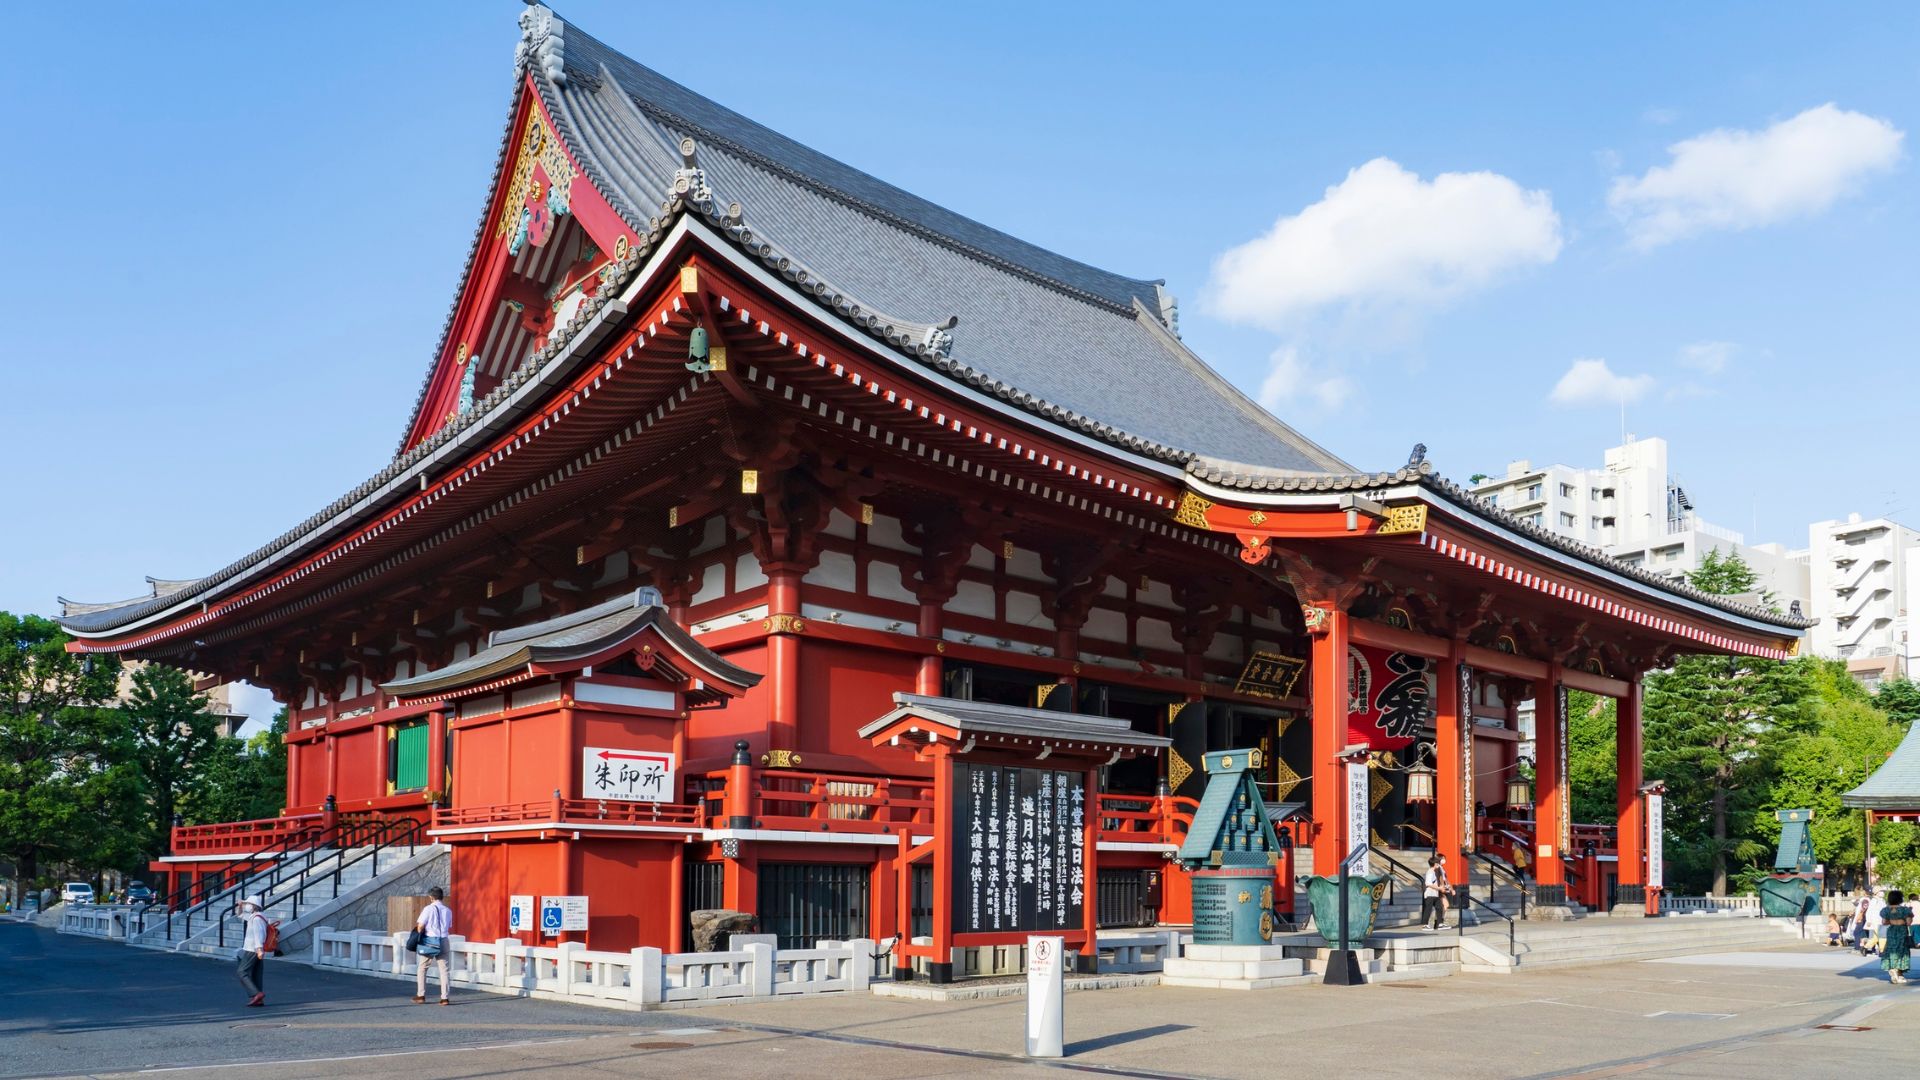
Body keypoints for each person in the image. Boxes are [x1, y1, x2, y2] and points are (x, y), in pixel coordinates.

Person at [413, 886, 453, 1005]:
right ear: (441, 897)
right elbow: (449, 925)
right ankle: (444, 998)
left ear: (431, 897)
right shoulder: (448, 910)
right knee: (444, 970)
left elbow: (420, 926)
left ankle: (421, 995)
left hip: (430, 941)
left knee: (422, 968)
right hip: (444, 940)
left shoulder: (428, 909)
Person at [235, 895, 269, 1007]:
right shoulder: (256, 916)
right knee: (256, 973)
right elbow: (240, 915)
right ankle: (258, 999)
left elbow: (258, 934)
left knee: (242, 971)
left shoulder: (256, 919)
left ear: (254, 906)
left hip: (253, 949)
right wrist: (240, 905)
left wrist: (259, 949)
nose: (246, 906)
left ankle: (257, 994)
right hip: (255, 949)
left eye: (248, 904)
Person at [1881, 889, 1913, 985]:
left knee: (1891, 949)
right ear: (1900, 899)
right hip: (1902, 931)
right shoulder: (1905, 910)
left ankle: (1894, 970)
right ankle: (1898, 971)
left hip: (1891, 930)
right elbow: (1909, 923)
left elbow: (1884, 922)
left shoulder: (1885, 910)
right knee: (1902, 951)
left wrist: (1892, 921)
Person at [1420, 855, 1450, 930]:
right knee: (1428, 909)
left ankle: (1440, 924)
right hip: (1430, 894)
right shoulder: (1430, 872)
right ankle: (1425, 925)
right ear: (1434, 864)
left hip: (1435, 893)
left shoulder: (1433, 872)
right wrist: (1439, 888)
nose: (1438, 864)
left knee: (1439, 908)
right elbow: (1428, 883)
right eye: (1437, 863)